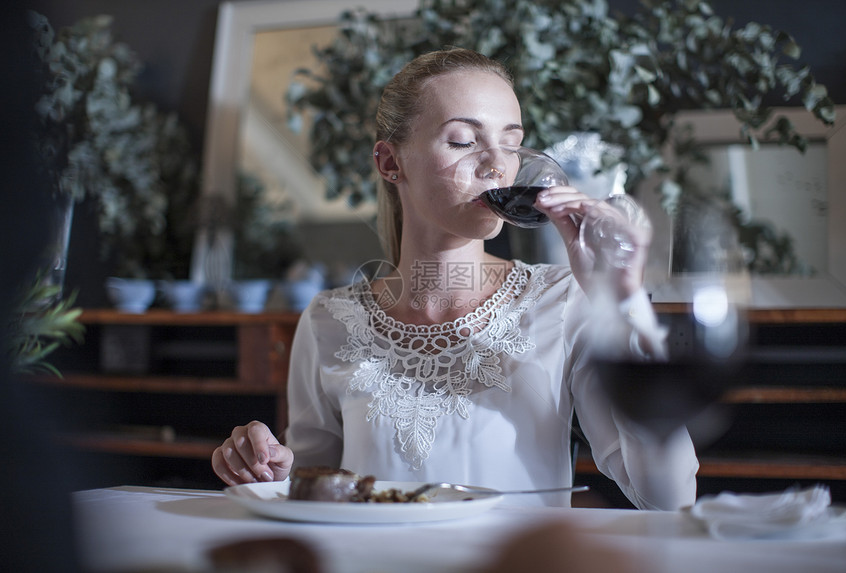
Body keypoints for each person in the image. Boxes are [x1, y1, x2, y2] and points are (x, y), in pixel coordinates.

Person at [212, 47, 698, 510]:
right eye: (464, 141)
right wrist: (268, 467)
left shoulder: (565, 300)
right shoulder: (328, 320)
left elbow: (670, 494)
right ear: (390, 162)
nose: (496, 164)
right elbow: (315, 486)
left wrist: (622, 301)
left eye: (510, 143)